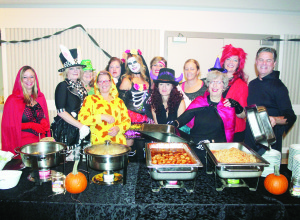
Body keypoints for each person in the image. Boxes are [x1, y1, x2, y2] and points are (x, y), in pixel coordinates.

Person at [171, 60, 245, 162]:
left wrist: (237, 106)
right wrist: (175, 123)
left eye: (218, 82)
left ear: (223, 86)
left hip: (218, 154)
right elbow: (186, 116)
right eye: (212, 82)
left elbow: (229, 132)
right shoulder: (199, 101)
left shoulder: (228, 106)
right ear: (208, 85)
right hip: (196, 152)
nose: (214, 85)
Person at [244, 47, 296, 155]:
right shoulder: (252, 84)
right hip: (250, 140)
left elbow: (291, 116)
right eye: (261, 59)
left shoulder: (279, 87)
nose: (264, 63)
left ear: (274, 63)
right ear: (256, 61)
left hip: (269, 144)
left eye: (268, 60)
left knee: (268, 172)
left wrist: (275, 119)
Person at [51, 45, 90, 160]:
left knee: (82, 164)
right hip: (67, 131)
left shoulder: (81, 86)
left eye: (77, 68)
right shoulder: (62, 86)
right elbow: (61, 112)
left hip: (82, 129)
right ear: (66, 71)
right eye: (72, 68)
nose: (75, 71)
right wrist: (81, 126)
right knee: (70, 166)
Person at [1, 66, 50, 155]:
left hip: (40, 143)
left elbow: (43, 117)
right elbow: (8, 127)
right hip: (22, 144)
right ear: (20, 80)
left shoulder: (40, 97)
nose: (29, 80)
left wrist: (43, 122)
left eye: (31, 77)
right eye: (25, 77)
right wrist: (30, 125)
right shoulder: (12, 100)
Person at [78, 71, 131, 145]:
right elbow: (82, 119)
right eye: (101, 81)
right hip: (99, 146)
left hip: (119, 145)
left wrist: (119, 128)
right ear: (97, 84)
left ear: (111, 82)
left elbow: (127, 121)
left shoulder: (119, 102)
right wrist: (101, 117)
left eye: (106, 81)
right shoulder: (90, 99)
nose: (104, 84)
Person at [119, 50, 150, 144]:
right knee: (129, 149)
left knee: (143, 148)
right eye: (130, 63)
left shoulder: (146, 80)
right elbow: (120, 104)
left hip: (145, 120)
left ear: (140, 62)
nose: (133, 65)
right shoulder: (126, 80)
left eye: (135, 62)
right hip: (130, 119)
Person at [220, 44, 248, 142]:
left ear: (238, 64)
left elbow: (244, 114)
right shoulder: (215, 80)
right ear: (223, 61)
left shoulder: (242, 85)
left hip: (235, 132)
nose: (231, 62)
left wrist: (236, 106)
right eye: (228, 59)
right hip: (218, 130)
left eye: (235, 60)